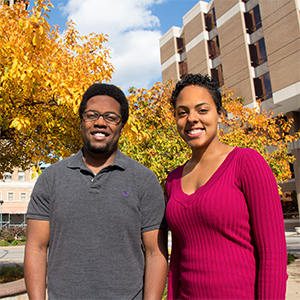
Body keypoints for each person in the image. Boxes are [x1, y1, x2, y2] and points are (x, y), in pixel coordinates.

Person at [24, 83, 168, 300]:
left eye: (111, 117)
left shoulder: (144, 180)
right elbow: (36, 247)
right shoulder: (51, 179)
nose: (100, 122)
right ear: (81, 121)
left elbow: (155, 253)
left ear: (122, 126)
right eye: (92, 115)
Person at [165, 73, 287, 299]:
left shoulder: (246, 163)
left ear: (220, 114)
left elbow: (273, 255)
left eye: (202, 110)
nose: (192, 118)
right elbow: (178, 260)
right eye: (182, 113)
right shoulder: (172, 180)